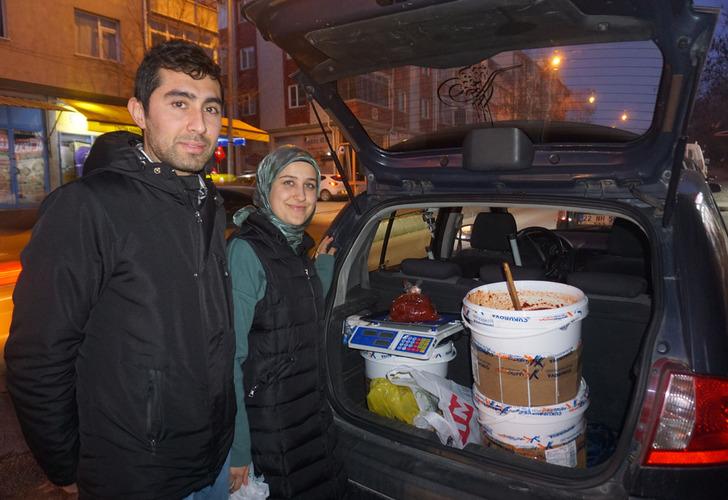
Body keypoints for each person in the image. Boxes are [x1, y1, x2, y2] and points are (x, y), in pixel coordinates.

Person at [4, 40, 236, 499]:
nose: (199, 124)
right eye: (178, 103)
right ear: (139, 112)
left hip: (212, 457)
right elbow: (38, 356)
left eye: (210, 108)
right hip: (133, 473)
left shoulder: (207, 202)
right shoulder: (87, 208)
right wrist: (64, 466)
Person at [226, 146, 347, 498]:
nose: (301, 195)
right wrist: (239, 448)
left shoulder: (294, 247)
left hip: (308, 414)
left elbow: (293, 317)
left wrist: (319, 268)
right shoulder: (248, 251)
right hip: (269, 427)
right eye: (289, 183)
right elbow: (228, 357)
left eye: (310, 185)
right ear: (266, 188)